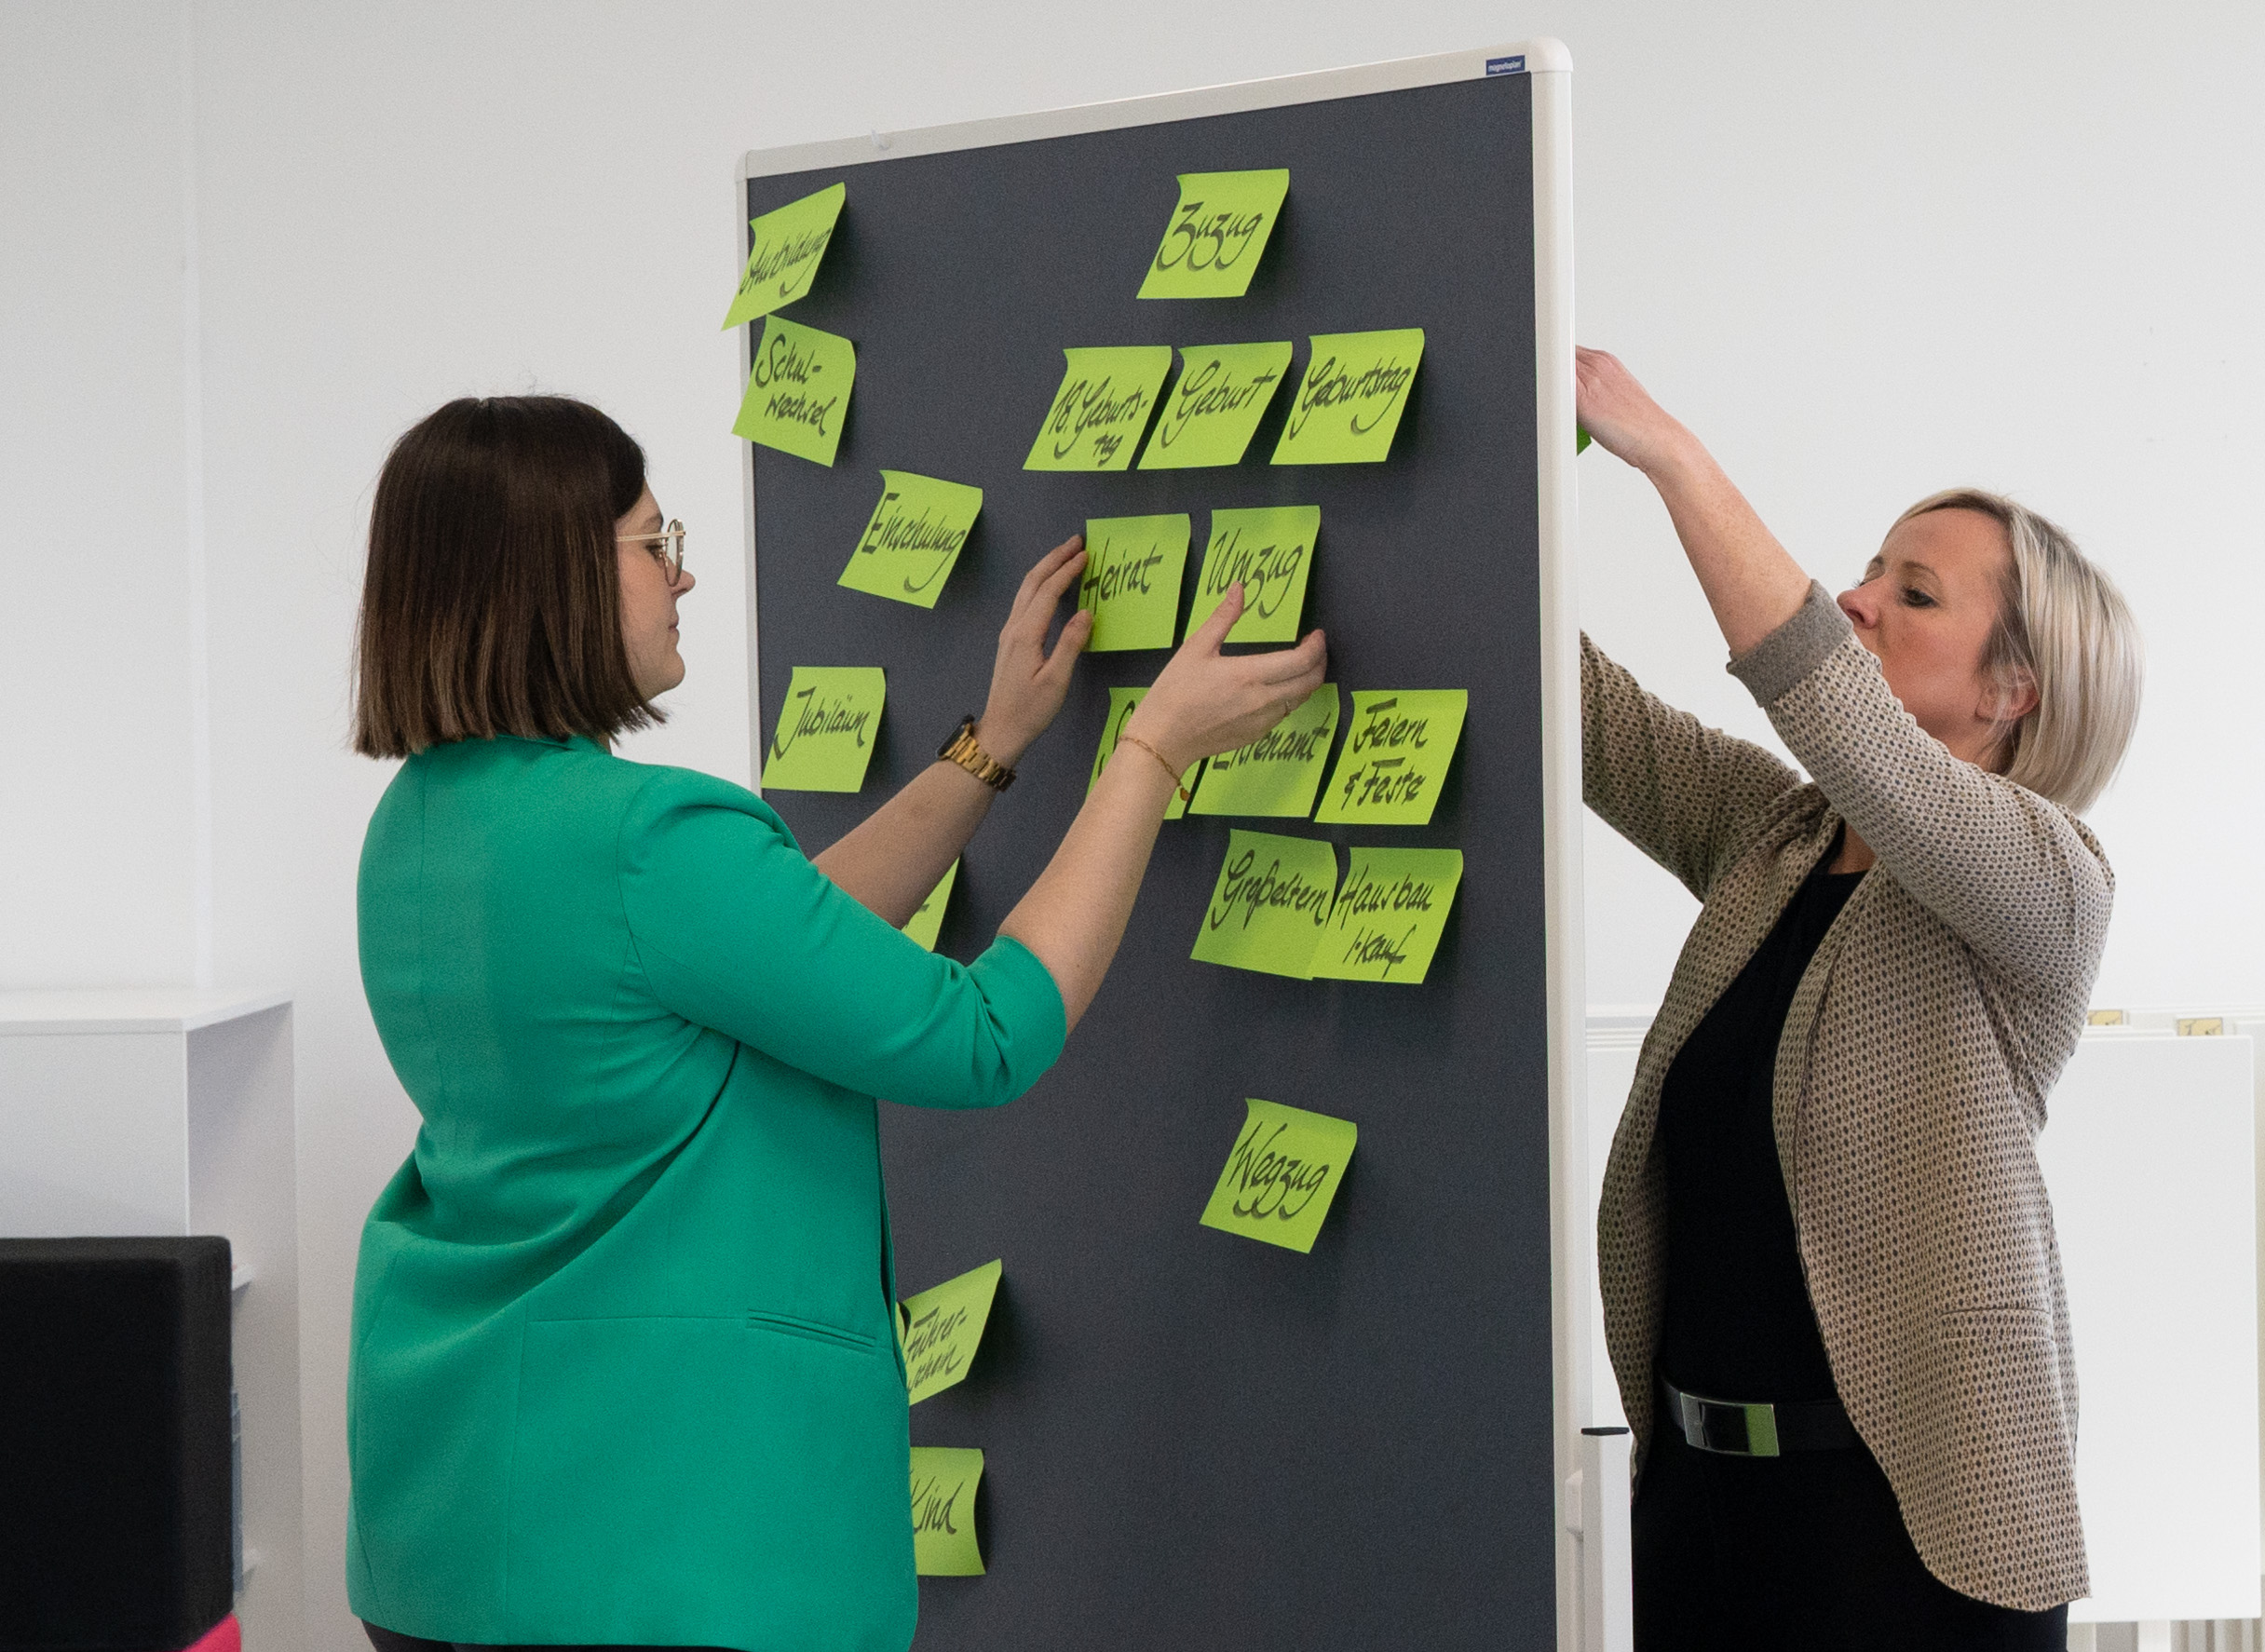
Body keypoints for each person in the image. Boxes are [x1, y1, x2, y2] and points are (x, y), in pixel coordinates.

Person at [345, 395, 1325, 1652]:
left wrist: (993, 746)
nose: (683, 571)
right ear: (557, 577)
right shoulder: (647, 841)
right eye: (655, 544)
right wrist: (1150, 754)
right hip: (662, 1552)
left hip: (457, 1532)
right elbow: (985, 1034)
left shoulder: (422, 825)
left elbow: (779, 947)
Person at [1575, 347, 2141, 1650]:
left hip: (1907, 1550)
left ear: (2015, 689)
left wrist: (1669, 453)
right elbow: (1586, 714)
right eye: (1870, 569)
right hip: (1704, 1516)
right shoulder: (1773, 838)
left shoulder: (2049, 883)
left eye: (1913, 590)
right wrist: (1483, 490)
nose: (1856, 600)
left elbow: (1821, 694)